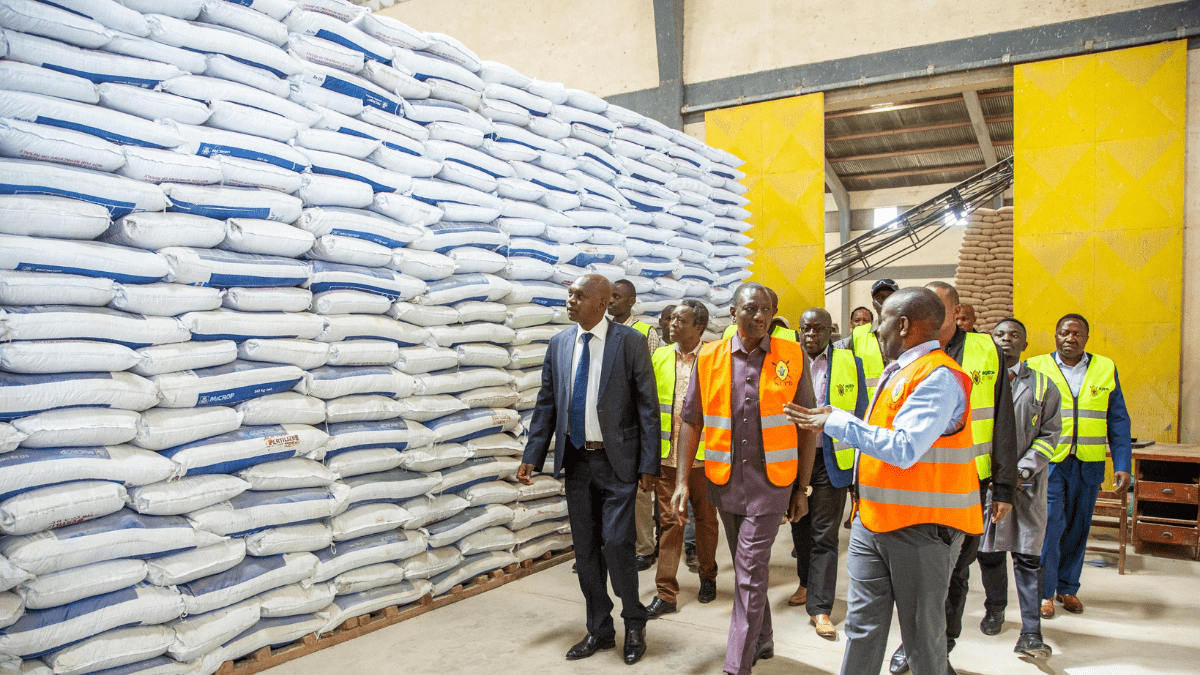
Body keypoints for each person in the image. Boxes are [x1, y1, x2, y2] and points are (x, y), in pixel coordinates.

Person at [789, 287, 982, 675]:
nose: (877, 330)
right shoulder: (900, 370)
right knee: (862, 629)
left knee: (922, 639)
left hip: (922, 529)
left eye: (883, 321)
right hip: (873, 521)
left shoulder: (939, 377)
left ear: (905, 325)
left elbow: (904, 448)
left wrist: (838, 421)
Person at [670, 282, 817, 675]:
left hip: (773, 484)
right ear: (733, 312)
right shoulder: (711, 358)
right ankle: (764, 637)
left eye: (767, 310)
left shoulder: (791, 354)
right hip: (724, 482)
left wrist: (802, 487)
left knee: (750, 573)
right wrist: (683, 480)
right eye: (751, 309)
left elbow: (807, 427)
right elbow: (691, 420)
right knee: (745, 567)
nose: (760, 317)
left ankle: (737, 666)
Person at [518, 274, 660, 666]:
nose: (571, 301)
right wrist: (533, 453)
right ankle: (599, 628)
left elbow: (648, 406)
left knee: (616, 545)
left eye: (579, 296)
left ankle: (634, 621)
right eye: (569, 295)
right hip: (577, 461)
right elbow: (547, 403)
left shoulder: (629, 342)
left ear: (603, 302)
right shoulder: (561, 344)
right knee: (585, 552)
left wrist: (649, 464)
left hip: (618, 463)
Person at [889, 281, 1018, 675]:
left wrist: (1005, 485)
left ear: (953, 312)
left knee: (956, 570)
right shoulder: (906, 353)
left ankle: (941, 645)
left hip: (969, 483)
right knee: (914, 571)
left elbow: (1003, 423)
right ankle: (912, 644)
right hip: (917, 481)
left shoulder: (985, 351)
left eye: (939, 309)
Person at [1026, 313, 1132, 618]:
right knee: (1051, 526)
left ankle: (1068, 588)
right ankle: (1045, 593)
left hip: (1089, 464)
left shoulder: (1105, 367)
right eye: (1063, 333)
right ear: (1055, 336)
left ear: (1086, 338)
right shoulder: (1036, 366)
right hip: (1050, 462)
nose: (1069, 339)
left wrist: (1122, 463)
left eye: (1077, 334)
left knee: (1079, 526)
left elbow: (1118, 419)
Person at [977, 318, 1060, 659]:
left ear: (1025, 345)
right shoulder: (978, 382)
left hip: (1026, 488)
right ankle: (995, 607)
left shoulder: (1042, 386)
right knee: (989, 553)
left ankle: (1030, 632)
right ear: (991, 342)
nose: (1007, 340)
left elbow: (1051, 434)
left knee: (1027, 557)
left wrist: (1020, 471)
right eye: (1000, 335)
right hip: (986, 486)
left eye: (1014, 335)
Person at [790, 307, 867, 640]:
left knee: (825, 535)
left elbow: (861, 415)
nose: (811, 335)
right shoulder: (787, 363)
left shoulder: (851, 363)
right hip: (793, 461)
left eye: (818, 329)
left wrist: (860, 475)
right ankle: (806, 583)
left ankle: (820, 609)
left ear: (831, 331)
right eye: (805, 329)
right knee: (799, 527)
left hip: (832, 460)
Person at [646, 300, 719, 618]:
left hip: (705, 458)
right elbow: (647, 410)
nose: (671, 324)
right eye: (671, 319)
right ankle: (666, 593)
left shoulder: (715, 357)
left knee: (705, 521)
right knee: (670, 523)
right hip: (667, 458)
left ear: (698, 327)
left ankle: (708, 576)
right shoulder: (659, 356)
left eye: (680, 320)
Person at [608, 278, 662, 570]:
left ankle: (645, 548)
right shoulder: (601, 331)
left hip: (634, 422)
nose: (611, 301)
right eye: (609, 296)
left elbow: (649, 383)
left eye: (617, 296)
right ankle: (616, 545)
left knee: (641, 492)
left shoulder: (644, 333)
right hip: (609, 423)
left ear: (631, 301)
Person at [838, 278, 898, 401]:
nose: (884, 301)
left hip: (899, 404)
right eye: (880, 297)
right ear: (873, 303)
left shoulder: (907, 331)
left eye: (889, 296)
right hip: (867, 408)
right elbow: (833, 355)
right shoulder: (858, 334)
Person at [721, 288, 798, 341]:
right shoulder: (730, 332)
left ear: (774, 311)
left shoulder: (792, 337)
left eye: (765, 308)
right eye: (752, 308)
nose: (758, 315)